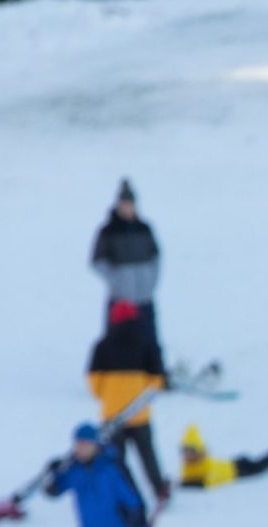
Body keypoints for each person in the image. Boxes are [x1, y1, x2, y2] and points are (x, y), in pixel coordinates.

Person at [88, 298, 170, 502]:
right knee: (148, 456)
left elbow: (93, 380)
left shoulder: (102, 345)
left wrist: (106, 396)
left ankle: (123, 495)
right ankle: (159, 490)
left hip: (112, 415)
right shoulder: (147, 344)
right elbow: (158, 380)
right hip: (139, 412)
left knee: (116, 460)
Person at [90, 179, 160, 344]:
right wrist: (117, 281)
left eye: (130, 204)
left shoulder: (144, 229)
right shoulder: (109, 231)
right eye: (124, 203)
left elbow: (155, 258)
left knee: (149, 341)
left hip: (144, 299)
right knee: (119, 343)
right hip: (121, 303)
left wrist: (150, 282)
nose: (128, 207)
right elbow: (98, 261)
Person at [177, 424, 268, 489]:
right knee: (255, 465)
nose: (187, 455)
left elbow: (208, 482)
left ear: (199, 452)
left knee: (257, 468)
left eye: (191, 451)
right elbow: (186, 478)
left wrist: (186, 484)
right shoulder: (187, 466)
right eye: (185, 451)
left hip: (237, 469)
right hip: (233, 462)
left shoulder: (206, 465)